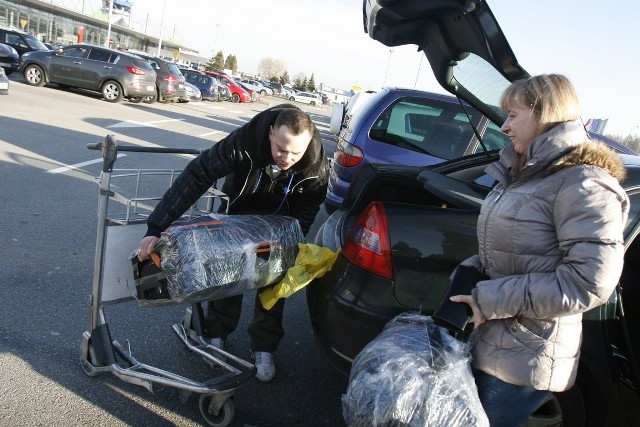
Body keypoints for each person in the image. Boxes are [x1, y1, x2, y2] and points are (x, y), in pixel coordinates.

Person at [450, 74, 629, 426]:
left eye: (513, 115)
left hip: (525, 356)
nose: (504, 126)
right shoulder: (529, 173)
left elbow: (588, 282)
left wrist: (490, 299)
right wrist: (473, 271)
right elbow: (517, 251)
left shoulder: (585, 183)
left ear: (545, 114)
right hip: (496, 342)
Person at [138, 104, 329, 382]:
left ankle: (264, 346)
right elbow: (198, 173)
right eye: (280, 149)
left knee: (274, 288)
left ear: (308, 143)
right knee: (228, 275)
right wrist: (156, 226)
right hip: (239, 217)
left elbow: (311, 203)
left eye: (295, 152)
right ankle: (217, 333)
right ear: (271, 132)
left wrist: (295, 235)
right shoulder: (243, 143)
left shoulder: (315, 166)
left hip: (280, 226)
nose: (287, 158)